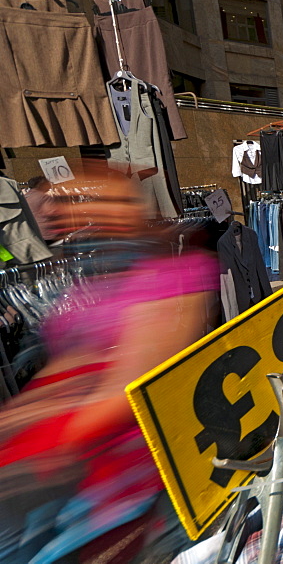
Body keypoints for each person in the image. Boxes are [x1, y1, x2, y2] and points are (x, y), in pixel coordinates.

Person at [0, 166, 216, 563]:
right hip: (82, 467)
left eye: (107, 201)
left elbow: (130, 386)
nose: (87, 212)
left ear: (134, 207)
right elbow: (69, 360)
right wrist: (19, 419)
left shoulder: (174, 274)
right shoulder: (94, 277)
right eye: (78, 202)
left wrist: (40, 443)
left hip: (136, 469)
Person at [23, 175, 58, 242]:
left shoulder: (25, 196)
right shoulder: (44, 197)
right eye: (47, 183)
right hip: (47, 233)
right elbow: (52, 212)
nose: (49, 185)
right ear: (41, 184)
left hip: (33, 232)